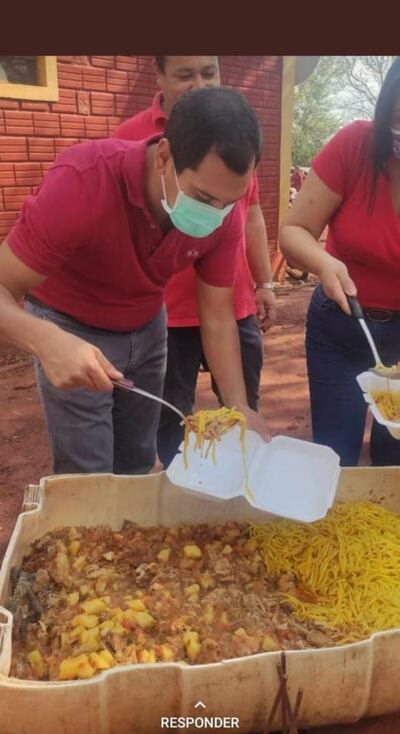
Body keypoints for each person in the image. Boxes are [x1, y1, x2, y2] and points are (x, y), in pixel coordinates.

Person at [0, 86, 270, 476]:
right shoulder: (83, 180)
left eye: (231, 202)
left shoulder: (224, 215)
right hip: (70, 325)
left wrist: (239, 405)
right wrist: (44, 339)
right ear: (164, 157)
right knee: (88, 472)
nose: (217, 214)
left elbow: (216, 314)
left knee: (138, 461)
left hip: (147, 325)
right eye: (204, 198)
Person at [115, 56, 276, 467]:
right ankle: (181, 487)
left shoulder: (237, 135)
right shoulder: (130, 140)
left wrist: (264, 282)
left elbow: (251, 213)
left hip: (229, 302)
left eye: (210, 72)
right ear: (160, 76)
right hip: (167, 316)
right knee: (172, 420)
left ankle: (242, 494)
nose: (199, 85)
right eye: (185, 75)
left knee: (242, 411)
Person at [279, 57, 400, 467]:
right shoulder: (355, 145)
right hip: (342, 326)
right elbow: (293, 231)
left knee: (395, 458)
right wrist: (324, 264)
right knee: (335, 457)